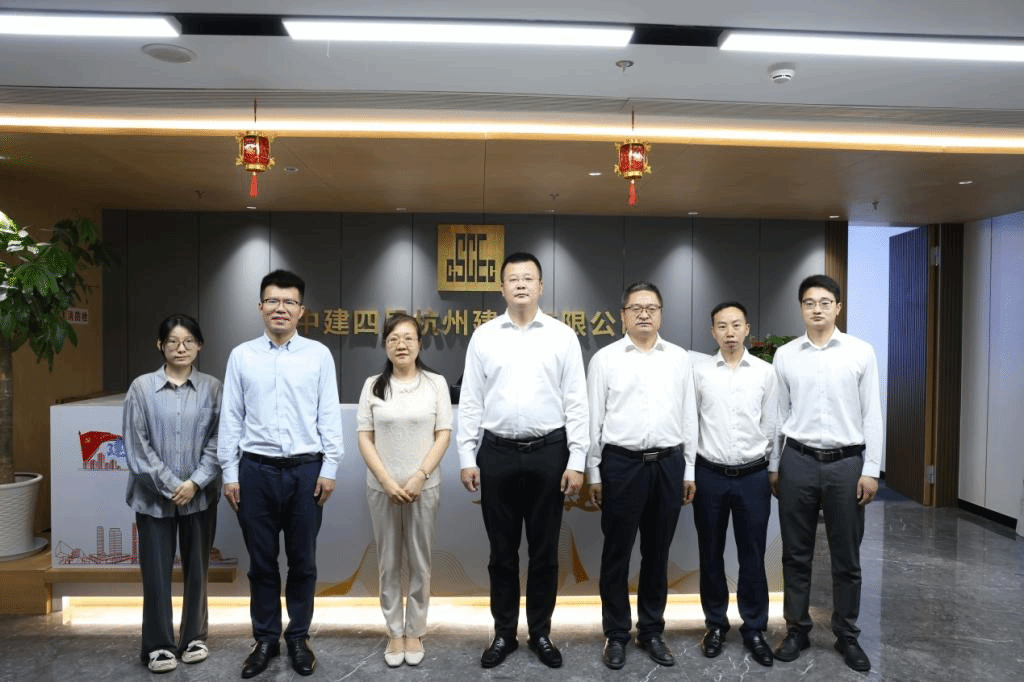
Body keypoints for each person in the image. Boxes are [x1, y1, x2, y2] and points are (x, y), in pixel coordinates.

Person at [458, 252, 589, 669]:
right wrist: (466, 455)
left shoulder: (562, 336)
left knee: (545, 551)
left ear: (541, 286)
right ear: (502, 288)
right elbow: (471, 400)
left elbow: (577, 401)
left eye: (528, 278)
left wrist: (577, 459)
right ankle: (503, 634)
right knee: (502, 552)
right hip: (496, 453)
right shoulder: (484, 337)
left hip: (549, 452)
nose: (520, 284)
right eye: (513, 279)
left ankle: (541, 633)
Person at [217, 269, 345, 678]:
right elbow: (231, 417)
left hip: (306, 471)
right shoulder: (242, 356)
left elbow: (328, 414)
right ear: (260, 307)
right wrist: (229, 472)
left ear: (301, 310)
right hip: (254, 470)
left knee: (303, 561)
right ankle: (266, 639)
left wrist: (330, 467)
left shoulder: (318, 355)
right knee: (261, 562)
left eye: (289, 302)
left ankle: (298, 638)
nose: (280, 308)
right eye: (273, 301)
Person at [770, 274, 882, 673]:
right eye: (809, 303)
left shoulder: (860, 352)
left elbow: (872, 414)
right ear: (801, 308)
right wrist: (775, 465)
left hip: (846, 464)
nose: (816, 309)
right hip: (797, 461)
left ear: (838, 307)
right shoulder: (786, 355)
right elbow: (778, 415)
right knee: (795, 553)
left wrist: (871, 469)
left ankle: (846, 634)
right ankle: (796, 629)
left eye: (824, 302)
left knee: (846, 556)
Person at [586, 281, 697, 670]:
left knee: (657, 552)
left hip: (668, 464)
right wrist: (594, 471)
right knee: (616, 552)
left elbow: (688, 416)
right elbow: (594, 419)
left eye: (652, 307)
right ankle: (616, 633)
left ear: (661, 314)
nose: (644, 314)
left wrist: (689, 468)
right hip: (621, 465)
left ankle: (651, 631)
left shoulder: (679, 358)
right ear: (623, 315)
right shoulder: (605, 359)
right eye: (636, 308)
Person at [123, 314, 222, 674]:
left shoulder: (213, 388)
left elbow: (220, 439)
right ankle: (158, 644)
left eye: (188, 341)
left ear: (200, 345)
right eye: (173, 342)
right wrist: (170, 485)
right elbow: (136, 445)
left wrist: (195, 482)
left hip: (200, 496)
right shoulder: (141, 388)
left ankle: (194, 636)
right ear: (160, 345)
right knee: (155, 573)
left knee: (198, 570)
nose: (181, 348)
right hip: (152, 498)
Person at [357, 313, 452, 668]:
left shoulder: (435, 384)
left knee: (419, 561)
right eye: (394, 338)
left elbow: (443, 434)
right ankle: (394, 631)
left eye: (409, 338)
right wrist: (386, 481)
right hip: (382, 488)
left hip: (423, 488)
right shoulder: (373, 385)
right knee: (388, 562)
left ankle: (415, 630)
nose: (402, 344)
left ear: (420, 344)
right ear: (385, 345)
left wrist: (420, 476)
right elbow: (365, 438)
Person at [691, 302, 778, 667]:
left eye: (736, 325)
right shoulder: (699, 373)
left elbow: (772, 425)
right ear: (712, 331)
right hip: (709, 474)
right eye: (722, 326)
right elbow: (691, 424)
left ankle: (754, 628)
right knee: (710, 553)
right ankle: (715, 625)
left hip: (753, 476)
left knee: (752, 555)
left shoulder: (765, 373)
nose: (729, 332)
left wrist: (772, 468)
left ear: (747, 329)